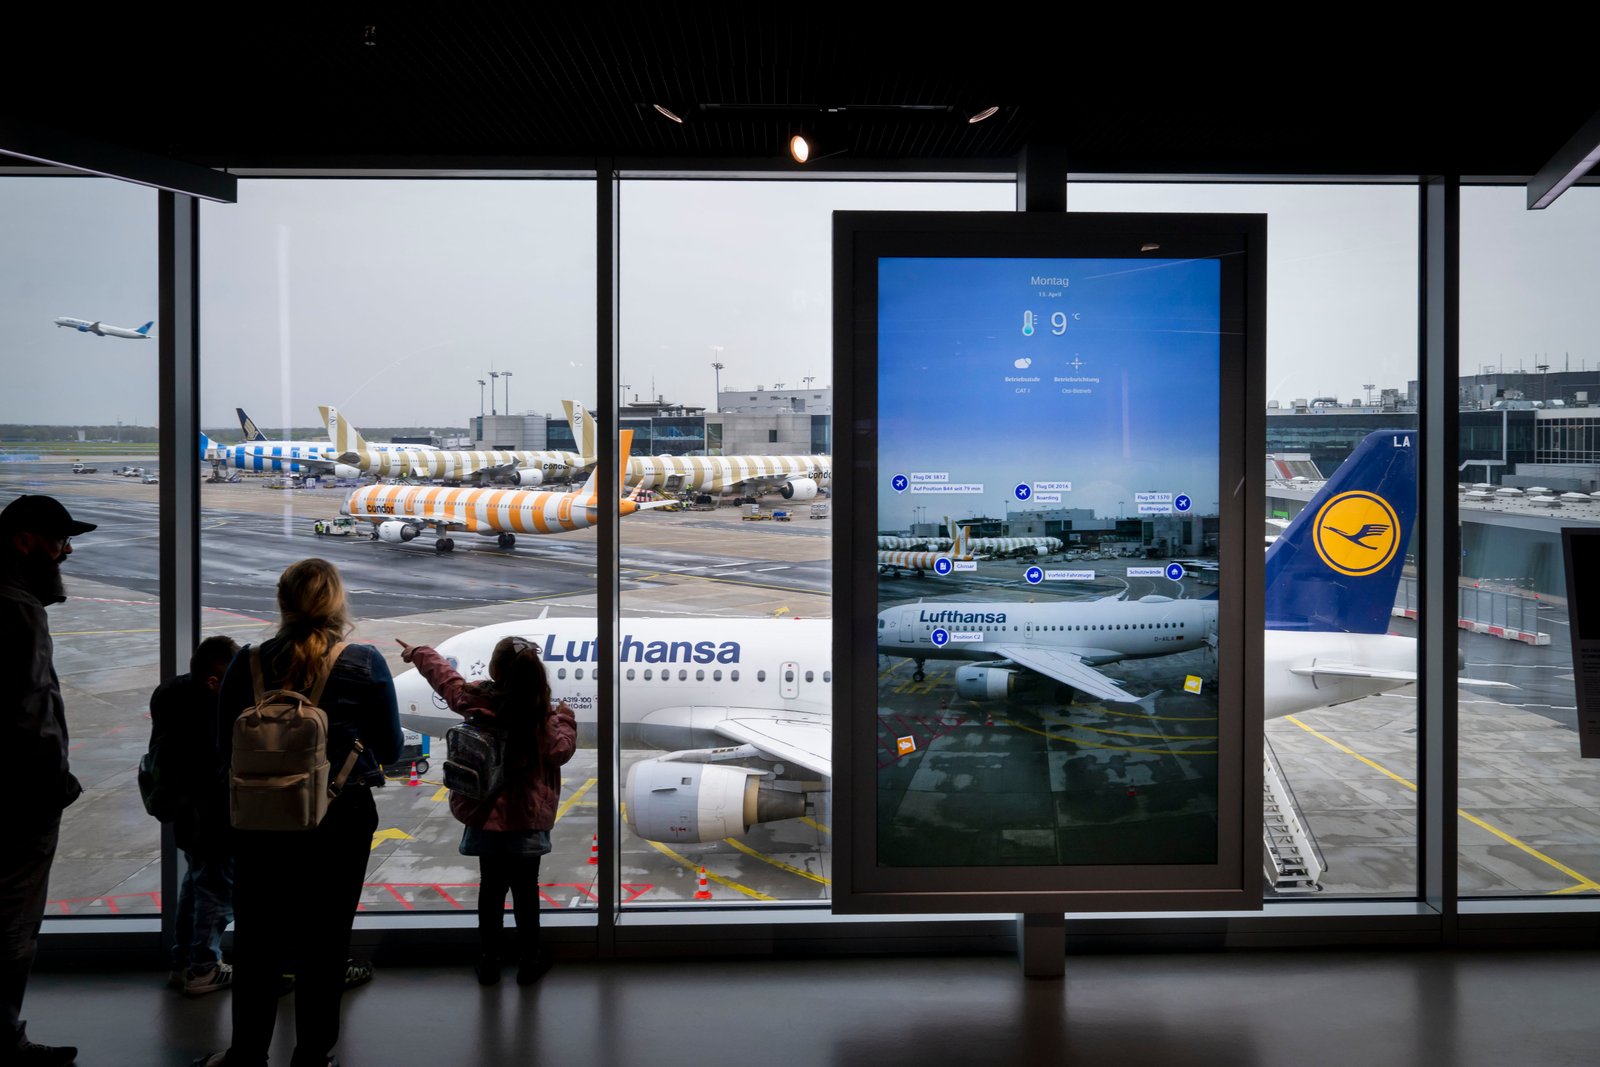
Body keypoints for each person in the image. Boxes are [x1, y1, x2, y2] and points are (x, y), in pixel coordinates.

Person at [196, 559, 401, 1067]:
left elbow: (223, 749)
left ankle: (247, 1054)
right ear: (337, 603)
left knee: (257, 940)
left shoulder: (247, 663)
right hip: (339, 817)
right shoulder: (364, 661)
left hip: (260, 819)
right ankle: (312, 1055)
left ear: (282, 603)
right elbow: (391, 748)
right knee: (326, 942)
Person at [396, 635, 575, 985]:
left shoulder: (477, 701)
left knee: (490, 890)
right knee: (526, 892)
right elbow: (561, 752)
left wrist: (420, 653)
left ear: (494, 669)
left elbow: (447, 681)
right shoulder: (541, 718)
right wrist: (566, 718)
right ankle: (529, 962)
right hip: (525, 819)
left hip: (485, 817)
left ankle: (489, 961)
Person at [0, 495, 95, 1066]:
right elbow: (30, 714)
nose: (66, 552)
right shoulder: (18, 610)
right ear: (24, 542)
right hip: (20, 800)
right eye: (60, 541)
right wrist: (54, 783)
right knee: (13, 923)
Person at [148, 634, 240, 996]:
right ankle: (204, 967)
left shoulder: (170, 693)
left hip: (184, 811)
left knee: (196, 882)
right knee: (217, 889)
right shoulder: (211, 711)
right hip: (213, 813)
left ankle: (183, 961)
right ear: (213, 681)